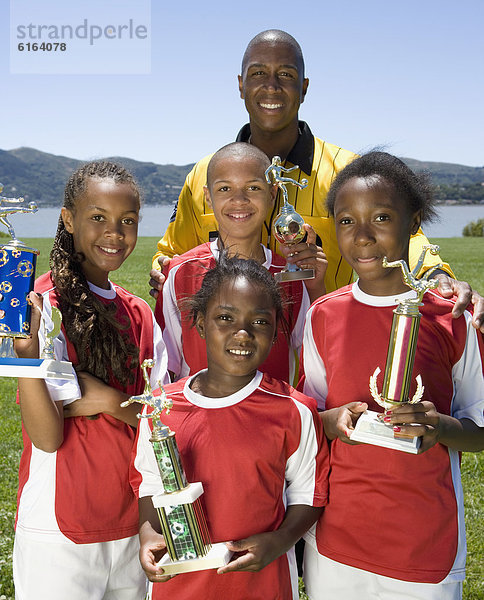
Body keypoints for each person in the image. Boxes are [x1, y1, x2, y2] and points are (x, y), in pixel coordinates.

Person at [148, 29, 484, 333]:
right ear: (240, 85)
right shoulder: (203, 175)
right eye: (258, 73)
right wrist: (161, 270)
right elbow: (173, 255)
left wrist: (438, 277)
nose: (271, 86)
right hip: (230, 362)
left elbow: (405, 239)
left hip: (323, 357)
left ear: (304, 88)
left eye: (286, 75)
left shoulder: (349, 173)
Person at [300, 152, 484, 600]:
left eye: (381, 217)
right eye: (346, 221)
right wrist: (332, 420)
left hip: (425, 545)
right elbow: (311, 419)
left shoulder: (452, 318)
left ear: (413, 221)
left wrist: (438, 426)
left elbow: (480, 429)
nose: (362, 236)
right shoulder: (323, 316)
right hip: (337, 543)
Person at [132, 253, 329, 600]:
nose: (243, 333)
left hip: (263, 585)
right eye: (226, 317)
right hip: (179, 588)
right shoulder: (159, 407)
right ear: (201, 323)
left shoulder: (294, 410)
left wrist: (280, 541)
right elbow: (149, 484)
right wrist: (149, 535)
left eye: (260, 322)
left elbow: (307, 496)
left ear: (274, 331)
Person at [13, 161, 169, 600]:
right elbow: (47, 435)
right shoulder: (43, 304)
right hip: (59, 528)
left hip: (133, 522)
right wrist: (28, 361)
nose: (114, 234)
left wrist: (105, 399)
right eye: (97, 217)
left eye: (128, 221)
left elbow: (158, 419)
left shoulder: (138, 312)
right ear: (68, 218)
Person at [156, 142, 326, 383]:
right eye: (225, 188)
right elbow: (165, 364)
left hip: (272, 416)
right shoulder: (181, 272)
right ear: (208, 196)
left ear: (273, 194)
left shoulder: (291, 277)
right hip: (200, 415)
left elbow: (315, 355)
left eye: (253, 187)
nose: (239, 200)